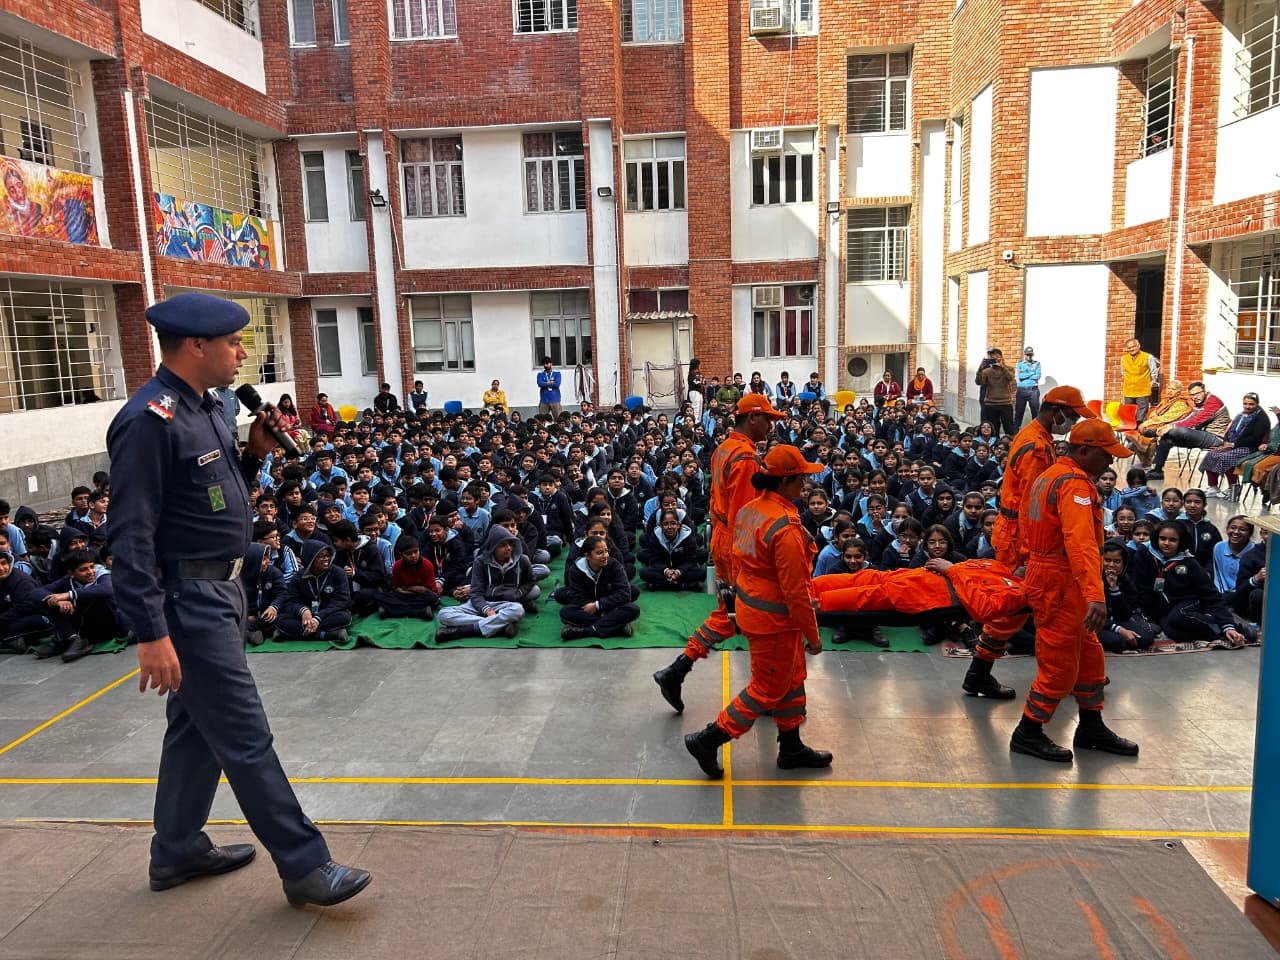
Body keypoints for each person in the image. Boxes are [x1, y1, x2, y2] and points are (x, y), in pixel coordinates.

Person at [105, 292, 370, 907]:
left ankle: (175, 850)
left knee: (196, 730)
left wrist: (253, 455)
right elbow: (131, 536)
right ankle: (305, 865)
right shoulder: (150, 421)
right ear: (196, 345)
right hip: (187, 600)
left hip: (223, 589)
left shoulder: (209, 409)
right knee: (246, 735)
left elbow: (212, 502)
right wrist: (150, 633)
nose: (241, 352)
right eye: (232, 342)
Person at [684, 445, 830, 778]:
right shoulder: (785, 527)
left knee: (791, 680)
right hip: (776, 621)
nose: (805, 484)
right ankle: (708, 739)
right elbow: (796, 592)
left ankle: (791, 746)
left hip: (758, 612)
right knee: (766, 689)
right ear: (785, 483)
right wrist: (813, 635)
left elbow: (740, 560)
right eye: (801, 478)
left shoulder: (751, 510)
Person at [1010, 418, 1138, 763]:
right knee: (1060, 662)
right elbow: (1080, 544)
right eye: (1107, 455)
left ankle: (1091, 726)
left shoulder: (1050, 476)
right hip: (1062, 581)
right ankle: (1029, 731)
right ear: (1084, 450)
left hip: (1055, 575)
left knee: (1090, 654)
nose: (1111, 462)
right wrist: (1096, 595)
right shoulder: (1075, 486)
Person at [652, 393, 785, 713]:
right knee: (758, 616)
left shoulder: (725, 448)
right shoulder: (745, 459)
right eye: (768, 418)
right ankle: (765, 691)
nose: (771, 425)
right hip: (740, 548)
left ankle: (677, 670)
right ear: (752, 418)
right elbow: (746, 514)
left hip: (724, 541)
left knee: (732, 614)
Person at [964, 386, 1094, 700]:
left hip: (1017, 536)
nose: (1073, 422)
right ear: (1056, 411)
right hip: (1020, 540)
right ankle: (981, 674)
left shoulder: (1037, 439)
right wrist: (1028, 556)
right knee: (1013, 608)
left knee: (1016, 610)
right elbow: (1031, 505)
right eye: (1072, 416)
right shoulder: (1037, 447)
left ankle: (979, 674)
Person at [557, 534, 641, 640]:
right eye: (599, 553)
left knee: (633, 609)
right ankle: (617, 625)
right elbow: (576, 596)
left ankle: (586, 631)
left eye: (606, 551)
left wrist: (598, 605)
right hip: (588, 607)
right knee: (566, 612)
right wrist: (590, 606)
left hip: (607, 606)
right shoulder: (576, 569)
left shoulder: (614, 565)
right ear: (587, 555)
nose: (605, 555)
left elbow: (624, 594)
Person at [1146, 382, 1229, 479]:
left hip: (1215, 437)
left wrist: (1172, 426)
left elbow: (1197, 420)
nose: (1194, 397)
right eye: (1192, 395)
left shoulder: (1213, 402)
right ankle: (1157, 471)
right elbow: (1189, 417)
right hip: (1200, 434)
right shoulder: (1199, 402)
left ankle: (1155, 432)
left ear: (1205, 391)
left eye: (1197, 394)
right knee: (1166, 438)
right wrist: (1168, 426)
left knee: (1182, 431)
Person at [1199, 392, 1269, 500]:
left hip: (1250, 448)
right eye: (1245, 404)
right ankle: (1213, 487)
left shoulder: (1261, 418)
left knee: (1227, 458)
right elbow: (1230, 430)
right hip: (1233, 445)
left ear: (1257, 404)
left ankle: (1233, 488)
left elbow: (1255, 438)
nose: (1247, 406)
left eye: (1251, 404)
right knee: (1212, 454)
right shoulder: (1241, 415)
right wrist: (1226, 442)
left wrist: (1233, 444)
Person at [975, 347, 1016, 437]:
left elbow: (1010, 377)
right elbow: (979, 382)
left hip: (1005, 402)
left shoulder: (1009, 369)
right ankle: (995, 446)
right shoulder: (987, 371)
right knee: (994, 429)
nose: (995, 359)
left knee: (1009, 428)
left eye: (997, 357)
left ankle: (1010, 445)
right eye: (993, 358)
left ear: (1001, 357)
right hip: (991, 403)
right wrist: (980, 368)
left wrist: (1002, 367)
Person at [1120, 337, 1160, 424]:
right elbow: (1123, 373)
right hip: (1129, 390)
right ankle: (1130, 429)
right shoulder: (1124, 358)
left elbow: (1154, 373)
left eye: (1133, 347)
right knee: (1129, 410)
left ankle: (1140, 429)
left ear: (1138, 346)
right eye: (1129, 348)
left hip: (1143, 390)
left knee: (1142, 412)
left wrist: (1152, 383)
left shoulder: (1148, 357)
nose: (1131, 349)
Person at [1014, 346, 1041, 429]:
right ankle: (1015, 433)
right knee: (1019, 412)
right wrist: (1032, 373)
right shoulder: (1019, 364)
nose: (1029, 356)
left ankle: (1035, 431)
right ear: (1024, 355)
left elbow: (1038, 376)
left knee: (1035, 413)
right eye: (1027, 355)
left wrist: (1026, 374)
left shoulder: (1037, 364)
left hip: (1033, 391)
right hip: (1022, 391)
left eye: (1030, 355)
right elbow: (1020, 376)